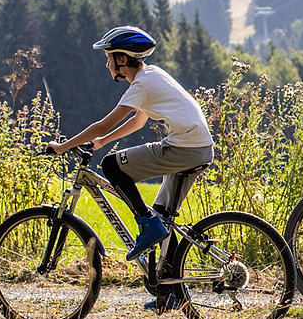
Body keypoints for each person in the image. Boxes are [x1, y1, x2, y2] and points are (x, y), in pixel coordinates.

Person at [46, 25, 215, 267]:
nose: (107, 65)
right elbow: (138, 121)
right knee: (162, 218)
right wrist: (103, 141)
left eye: (109, 58)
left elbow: (102, 125)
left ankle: (146, 224)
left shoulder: (141, 86)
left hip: (183, 149)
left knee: (111, 166)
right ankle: (172, 283)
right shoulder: (152, 75)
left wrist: (63, 147)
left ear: (122, 59)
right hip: (199, 149)